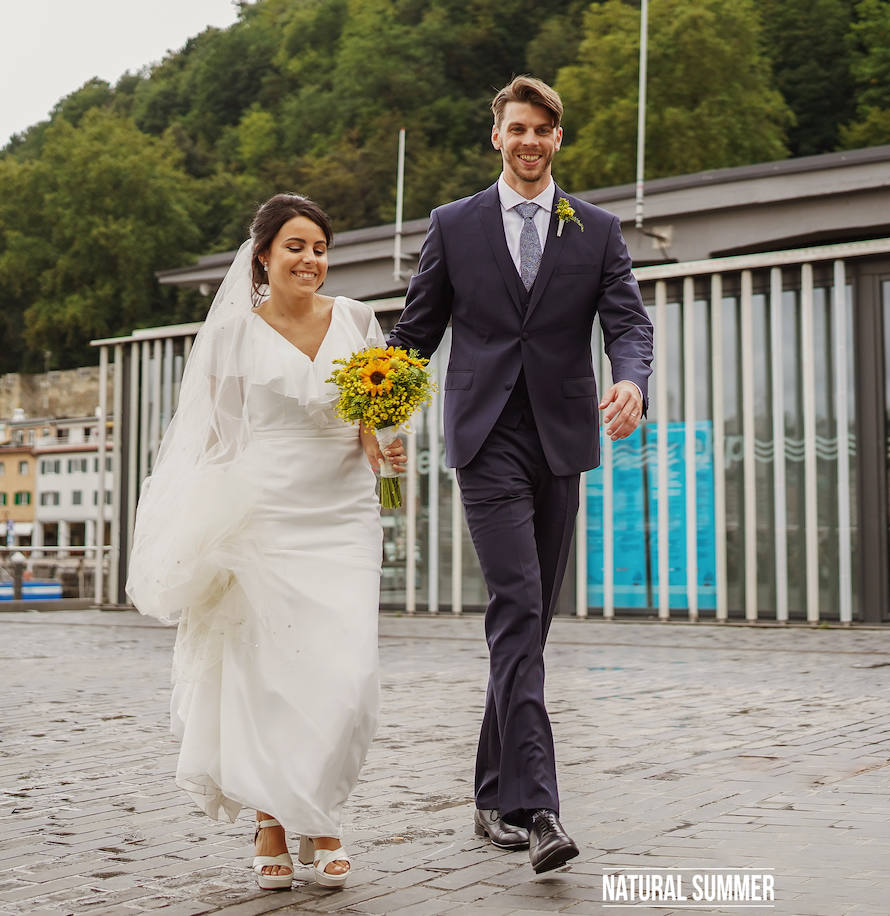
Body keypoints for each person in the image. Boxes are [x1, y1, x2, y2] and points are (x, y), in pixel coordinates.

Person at [387, 75, 653, 873]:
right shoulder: (454, 225)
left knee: (528, 626)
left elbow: (628, 323)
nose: (530, 141)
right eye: (517, 129)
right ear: (495, 136)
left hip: (562, 438)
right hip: (486, 438)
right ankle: (538, 809)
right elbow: (416, 331)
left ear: (557, 139)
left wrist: (632, 379)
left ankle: (489, 790)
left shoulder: (597, 230)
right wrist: (375, 406)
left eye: (543, 129)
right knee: (519, 602)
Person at [127, 194, 406, 891]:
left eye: (319, 248)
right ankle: (282, 823)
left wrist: (385, 448)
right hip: (266, 516)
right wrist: (211, 530)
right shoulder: (230, 336)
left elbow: (374, 422)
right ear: (263, 256)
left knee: (346, 675)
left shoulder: (358, 320)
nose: (310, 259)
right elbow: (218, 441)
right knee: (269, 675)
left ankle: (316, 807)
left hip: (342, 514)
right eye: (295, 247)